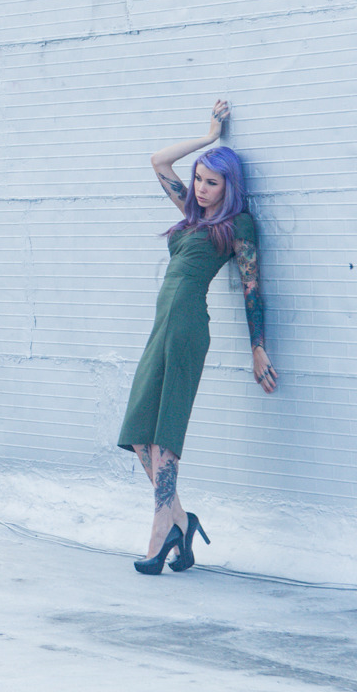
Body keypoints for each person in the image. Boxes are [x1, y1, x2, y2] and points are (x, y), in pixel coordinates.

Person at [118, 100, 277, 575]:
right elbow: (158, 161)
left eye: (212, 182)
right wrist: (209, 136)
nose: (202, 189)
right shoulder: (190, 213)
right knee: (140, 435)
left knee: (165, 433)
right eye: (200, 179)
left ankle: (159, 530)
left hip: (188, 327)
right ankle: (180, 522)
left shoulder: (238, 226)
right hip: (160, 325)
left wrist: (257, 347)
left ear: (229, 186)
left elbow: (253, 287)